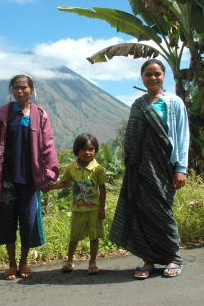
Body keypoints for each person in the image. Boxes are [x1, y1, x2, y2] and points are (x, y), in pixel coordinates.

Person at [0, 74, 59, 280]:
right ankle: (11, 264)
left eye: (24, 88)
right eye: (16, 88)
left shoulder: (40, 114)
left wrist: (50, 172)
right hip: (5, 178)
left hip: (30, 179)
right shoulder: (2, 114)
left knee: (28, 221)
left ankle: (25, 263)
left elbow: (48, 145)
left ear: (31, 90)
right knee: (7, 222)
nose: (20, 91)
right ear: (11, 90)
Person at [109, 59, 189, 280]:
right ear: (142, 77)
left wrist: (181, 168)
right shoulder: (138, 104)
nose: (153, 78)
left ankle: (174, 257)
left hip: (165, 166)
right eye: (148, 74)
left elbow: (182, 137)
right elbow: (131, 138)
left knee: (163, 212)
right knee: (142, 213)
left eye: (157, 74)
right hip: (139, 169)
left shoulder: (174, 103)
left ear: (164, 76)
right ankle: (148, 259)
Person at [44, 133, 106, 275]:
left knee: (94, 237)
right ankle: (69, 261)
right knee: (74, 237)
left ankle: (92, 262)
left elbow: (102, 189)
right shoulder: (71, 167)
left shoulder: (98, 169)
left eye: (91, 149)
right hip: (78, 209)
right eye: (84, 149)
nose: (87, 152)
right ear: (77, 150)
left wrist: (102, 208)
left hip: (94, 210)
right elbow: (64, 183)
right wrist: (51, 186)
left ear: (95, 150)